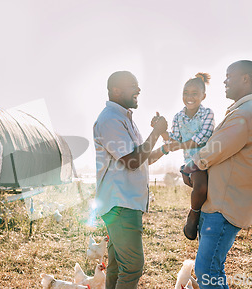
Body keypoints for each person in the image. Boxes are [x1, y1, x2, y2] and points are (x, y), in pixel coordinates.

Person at [181, 60, 252, 288]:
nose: (225, 81)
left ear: (245, 79)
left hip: (223, 207)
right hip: (219, 203)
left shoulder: (244, 115)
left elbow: (214, 148)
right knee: (208, 267)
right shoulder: (242, 112)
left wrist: (189, 165)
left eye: (229, 76)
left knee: (207, 269)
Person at [94, 71, 168, 289]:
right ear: (117, 90)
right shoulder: (110, 120)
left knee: (118, 268)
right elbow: (132, 161)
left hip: (124, 203)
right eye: (133, 86)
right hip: (121, 204)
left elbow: (141, 159)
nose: (138, 90)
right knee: (133, 267)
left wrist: (163, 147)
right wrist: (156, 132)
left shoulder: (124, 119)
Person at [165, 72, 215, 240]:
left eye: (194, 93)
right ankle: (193, 215)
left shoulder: (208, 113)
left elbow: (202, 138)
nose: (189, 97)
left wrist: (178, 145)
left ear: (203, 96)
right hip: (191, 162)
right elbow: (174, 141)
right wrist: (161, 131)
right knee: (200, 186)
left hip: (209, 158)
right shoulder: (178, 117)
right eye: (186, 93)